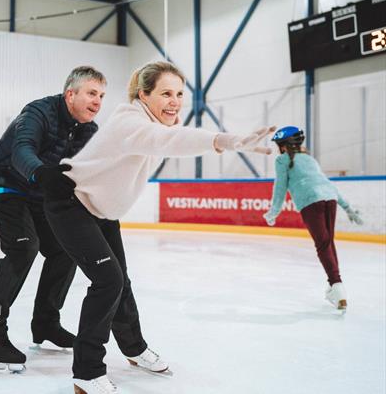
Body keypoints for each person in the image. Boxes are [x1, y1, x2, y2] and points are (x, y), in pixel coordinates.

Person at [40, 61, 275, 393]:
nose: (175, 101)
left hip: (101, 211)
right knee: (108, 281)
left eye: (179, 94)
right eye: (165, 93)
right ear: (143, 95)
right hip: (70, 204)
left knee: (120, 281)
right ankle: (87, 372)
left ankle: (134, 348)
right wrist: (226, 140)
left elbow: (168, 136)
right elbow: (170, 141)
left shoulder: (149, 122)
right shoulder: (129, 121)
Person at [0, 66, 106, 373]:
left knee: (64, 249)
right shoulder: (38, 112)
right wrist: (42, 172)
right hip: (4, 183)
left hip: (36, 193)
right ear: (70, 94)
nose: (98, 101)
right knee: (23, 248)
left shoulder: (89, 130)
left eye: (101, 95)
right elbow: (22, 150)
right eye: (91, 93)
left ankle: (46, 323)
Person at [263, 126, 363, 311]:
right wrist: (348, 208)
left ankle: (337, 285)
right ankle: (335, 287)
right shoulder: (309, 159)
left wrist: (273, 212)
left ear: (283, 146)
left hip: (311, 203)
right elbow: (327, 183)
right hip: (330, 199)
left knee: (323, 245)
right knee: (328, 243)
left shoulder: (282, 160)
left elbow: (280, 187)